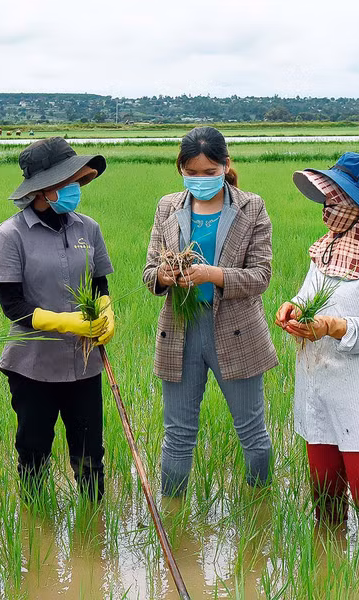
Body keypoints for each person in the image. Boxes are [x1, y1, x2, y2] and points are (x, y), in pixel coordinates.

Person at [276, 152, 359, 529]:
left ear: (358, 203)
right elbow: (309, 294)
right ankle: (329, 567)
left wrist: (336, 327)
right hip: (320, 385)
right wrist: (294, 307)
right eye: (326, 196)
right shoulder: (326, 250)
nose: (327, 205)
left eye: (335, 196)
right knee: (325, 494)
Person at [142, 126, 278, 497]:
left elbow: (261, 275)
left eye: (209, 172)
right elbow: (150, 271)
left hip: (236, 330)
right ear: (180, 169)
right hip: (181, 330)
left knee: (252, 431)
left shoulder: (251, 207)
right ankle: (173, 517)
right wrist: (165, 276)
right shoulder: (168, 206)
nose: (200, 179)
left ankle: (260, 510)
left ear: (225, 166)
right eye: (193, 172)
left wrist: (212, 274)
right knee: (178, 435)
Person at [0, 137, 115, 501]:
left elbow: (99, 281)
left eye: (77, 180)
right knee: (33, 450)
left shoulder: (87, 228)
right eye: (67, 181)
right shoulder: (9, 235)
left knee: (91, 453)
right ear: (42, 189)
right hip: (32, 367)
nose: (75, 188)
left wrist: (106, 310)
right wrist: (67, 323)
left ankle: (93, 529)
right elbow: (13, 305)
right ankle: (35, 529)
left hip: (84, 362)